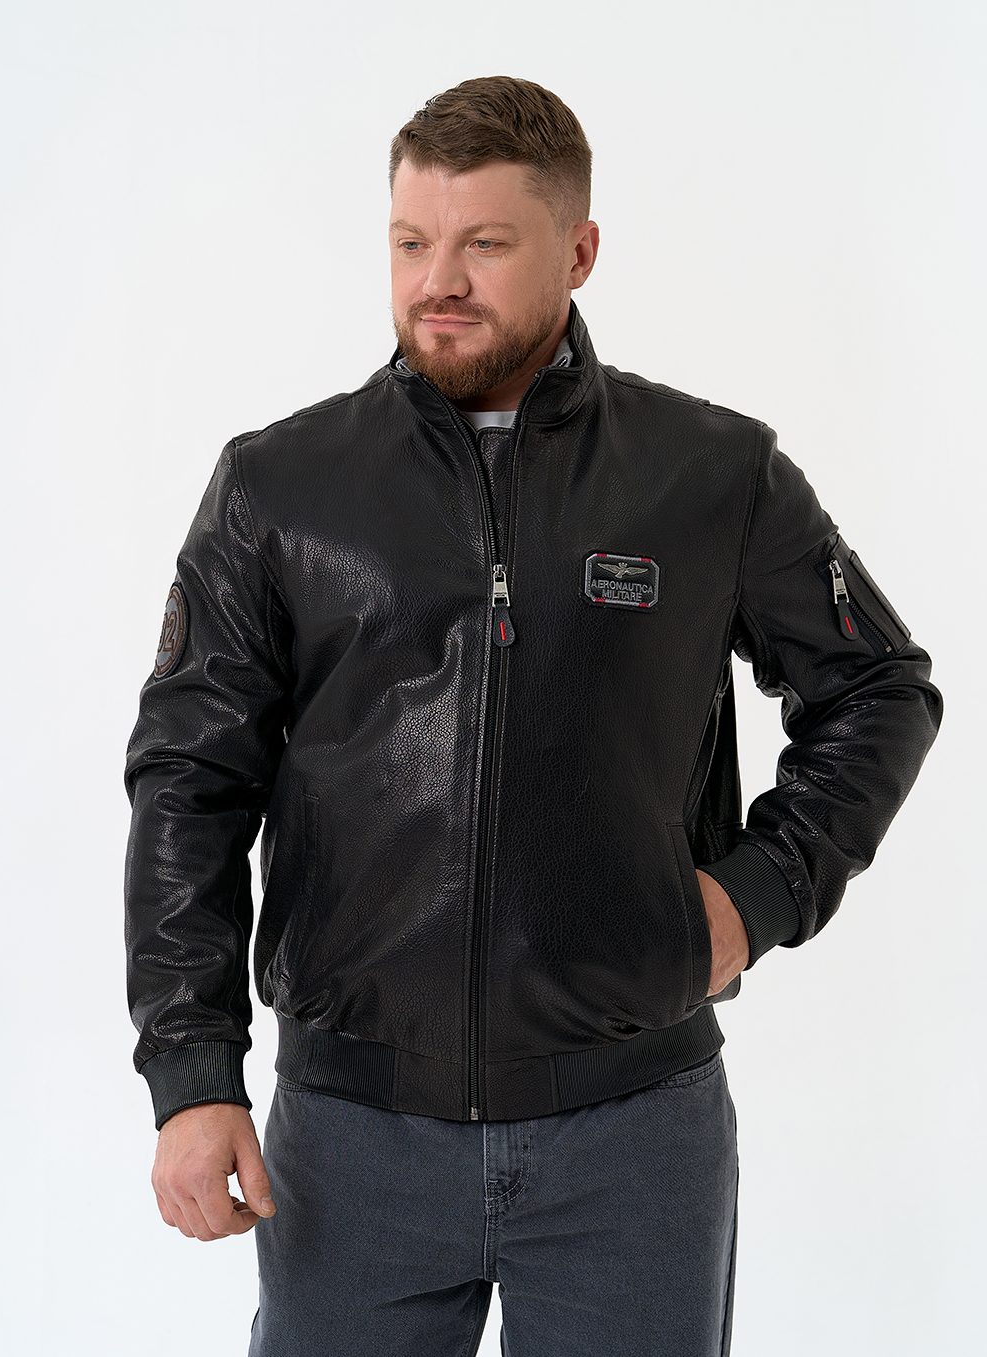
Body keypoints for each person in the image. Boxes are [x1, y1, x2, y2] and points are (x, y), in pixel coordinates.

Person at [125, 76, 942, 1357]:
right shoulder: (278, 486)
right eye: (410, 242)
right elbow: (190, 779)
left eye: (484, 244)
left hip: (633, 1136)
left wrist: (760, 890)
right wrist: (190, 1072)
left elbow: (877, 687)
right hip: (350, 1135)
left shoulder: (709, 473)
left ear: (577, 250)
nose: (437, 281)